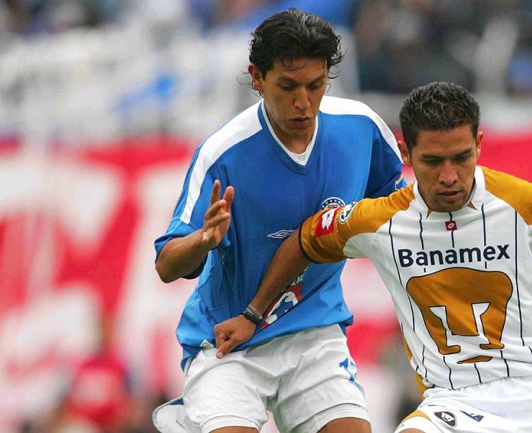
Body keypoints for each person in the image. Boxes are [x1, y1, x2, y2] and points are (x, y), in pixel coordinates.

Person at [214, 82, 532, 433]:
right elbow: (302, 239)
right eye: (433, 162)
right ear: (407, 153)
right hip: (455, 406)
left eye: (462, 158)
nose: (449, 176)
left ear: (480, 146)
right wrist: (254, 314)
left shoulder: (527, 204)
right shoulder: (377, 220)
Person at [152, 8, 405, 433]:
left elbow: (394, 209)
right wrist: (203, 240)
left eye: (316, 85)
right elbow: (165, 265)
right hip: (228, 344)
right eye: (288, 87)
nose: (304, 103)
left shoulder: (361, 129)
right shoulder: (223, 154)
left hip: (315, 333)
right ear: (257, 77)